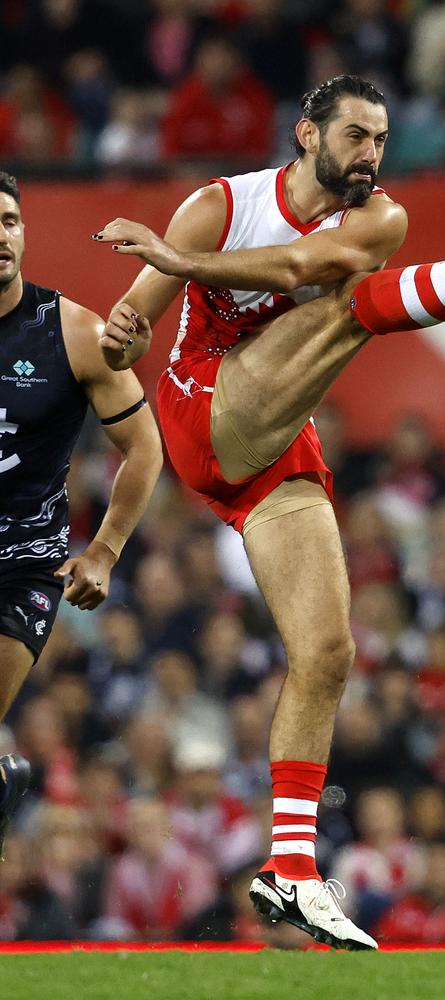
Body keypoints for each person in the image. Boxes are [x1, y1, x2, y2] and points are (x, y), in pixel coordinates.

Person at [92, 74, 445, 949]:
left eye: (382, 139)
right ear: (305, 136)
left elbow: (296, 269)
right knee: (353, 311)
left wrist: (176, 262)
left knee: (326, 651)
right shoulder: (218, 206)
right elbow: (131, 324)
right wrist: (124, 327)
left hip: (277, 440)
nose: (371, 155)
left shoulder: (378, 220)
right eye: (355, 136)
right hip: (203, 411)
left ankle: (290, 870)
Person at [0, 171, 162, 858]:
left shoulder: (72, 332)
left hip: (23, 567)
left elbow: (144, 447)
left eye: (8, 220)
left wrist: (104, 549)